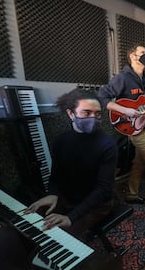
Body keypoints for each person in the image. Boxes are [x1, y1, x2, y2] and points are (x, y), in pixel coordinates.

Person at [24, 88, 118, 237]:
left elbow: (104, 189)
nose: (93, 118)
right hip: (67, 197)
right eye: (86, 113)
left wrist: (71, 217)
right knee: (31, 222)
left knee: (57, 236)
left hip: (97, 204)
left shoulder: (107, 145)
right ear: (71, 114)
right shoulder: (61, 141)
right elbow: (56, 174)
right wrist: (53, 194)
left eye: (97, 114)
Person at [98, 43, 145, 217]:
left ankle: (132, 195)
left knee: (139, 163)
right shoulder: (123, 78)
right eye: (143, 53)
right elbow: (102, 97)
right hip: (133, 129)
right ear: (133, 56)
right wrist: (125, 110)